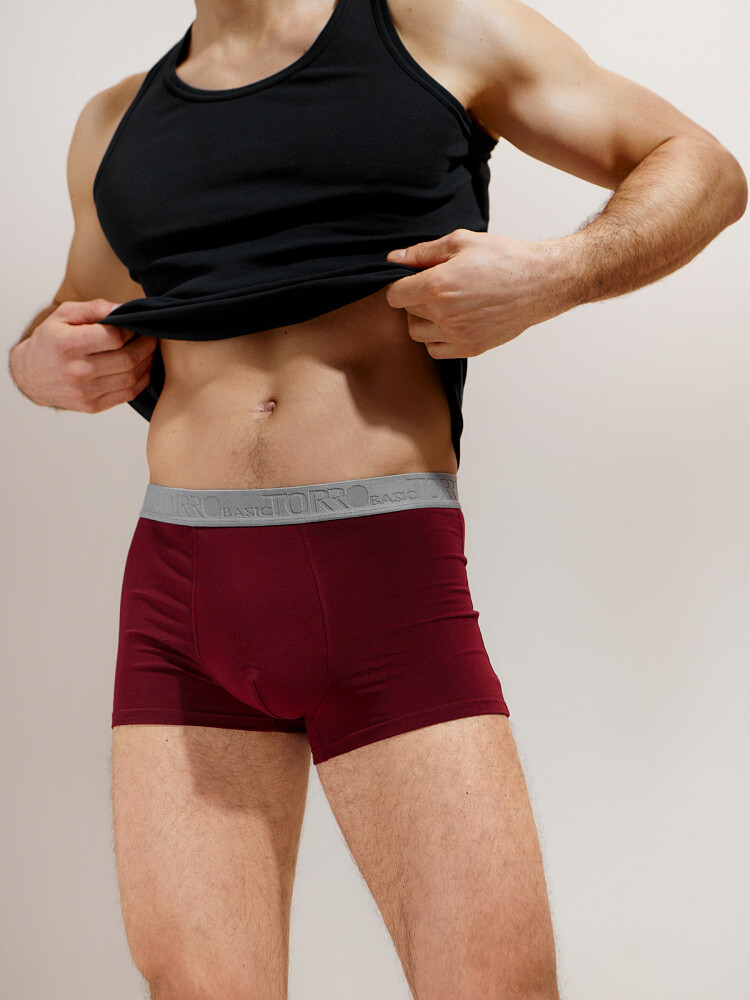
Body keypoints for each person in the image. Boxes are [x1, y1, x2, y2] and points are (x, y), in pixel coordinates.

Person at [9, 1, 746, 998]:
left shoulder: (434, 30)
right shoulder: (113, 120)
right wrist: (34, 362)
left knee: (495, 987)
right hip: (180, 600)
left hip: (384, 583)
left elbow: (701, 166)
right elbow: (75, 312)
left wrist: (553, 274)